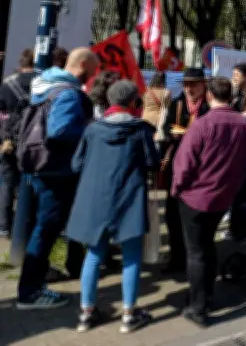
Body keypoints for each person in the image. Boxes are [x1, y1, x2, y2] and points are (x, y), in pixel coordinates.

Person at [66, 81, 158, 334]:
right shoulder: (141, 130)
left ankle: (86, 313)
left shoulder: (93, 130)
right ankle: (129, 315)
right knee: (131, 255)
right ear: (132, 102)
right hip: (128, 198)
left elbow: (76, 165)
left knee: (94, 254)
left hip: (96, 200)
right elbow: (153, 162)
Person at [16, 48, 98, 310]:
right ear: (83, 64)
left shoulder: (46, 86)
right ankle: (30, 291)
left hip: (43, 167)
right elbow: (59, 129)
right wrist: (89, 128)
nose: (94, 75)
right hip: (57, 170)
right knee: (46, 228)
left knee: (44, 227)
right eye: (93, 69)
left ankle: (34, 284)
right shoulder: (69, 93)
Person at [172, 77, 246, 327]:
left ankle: (198, 307)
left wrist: (177, 189)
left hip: (197, 197)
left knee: (196, 251)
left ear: (208, 95)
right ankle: (205, 296)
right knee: (207, 246)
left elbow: (184, 164)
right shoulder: (243, 123)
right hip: (223, 196)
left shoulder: (203, 124)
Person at [161, 68, 209, 274]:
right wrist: (173, 133)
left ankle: (196, 258)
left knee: (197, 217)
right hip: (177, 165)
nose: (189, 88)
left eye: (194, 84)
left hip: (201, 168)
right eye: (186, 84)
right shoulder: (177, 103)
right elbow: (165, 128)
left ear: (203, 85)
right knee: (173, 215)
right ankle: (177, 258)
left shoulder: (209, 107)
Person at [0, 49, 37, 237]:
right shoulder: (41, 83)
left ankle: (4, 227)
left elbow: (2, 111)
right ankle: (24, 226)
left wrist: (5, 131)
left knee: (6, 183)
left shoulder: (7, 84)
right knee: (28, 180)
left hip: (9, 141)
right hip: (32, 141)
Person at [141, 71, 171, 138]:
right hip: (158, 121)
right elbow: (167, 108)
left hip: (144, 119)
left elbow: (142, 105)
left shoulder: (145, 90)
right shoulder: (166, 92)